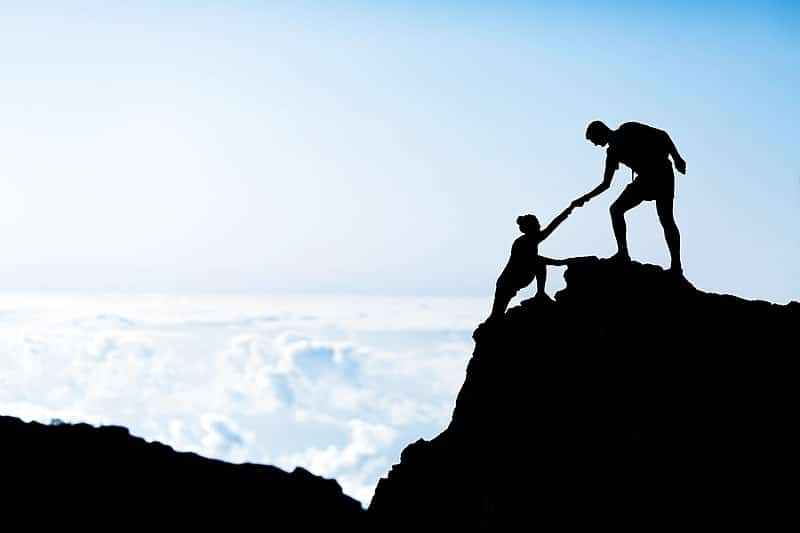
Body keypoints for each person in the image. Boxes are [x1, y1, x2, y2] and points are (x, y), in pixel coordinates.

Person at [573, 120, 687, 274]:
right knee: (616, 210)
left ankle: (676, 266)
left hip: (661, 173)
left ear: (600, 132)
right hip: (645, 179)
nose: (595, 145)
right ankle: (623, 254)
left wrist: (677, 158)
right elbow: (606, 184)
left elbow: (663, 135)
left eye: (594, 140)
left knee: (666, 219)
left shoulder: (628, 128)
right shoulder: (612, 153)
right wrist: (585, 198)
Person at [487, 205, 574, 321]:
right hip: (507, 283)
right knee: (496, 316)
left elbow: (554, 224)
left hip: (521, 277)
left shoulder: (534, 238)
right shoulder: (521, 243)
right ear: (529, 228)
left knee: (540, 265)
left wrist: (570, 209)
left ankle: (540, 293)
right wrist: (560, 262)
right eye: (536, 225)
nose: (539, 226)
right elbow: (535, 259)